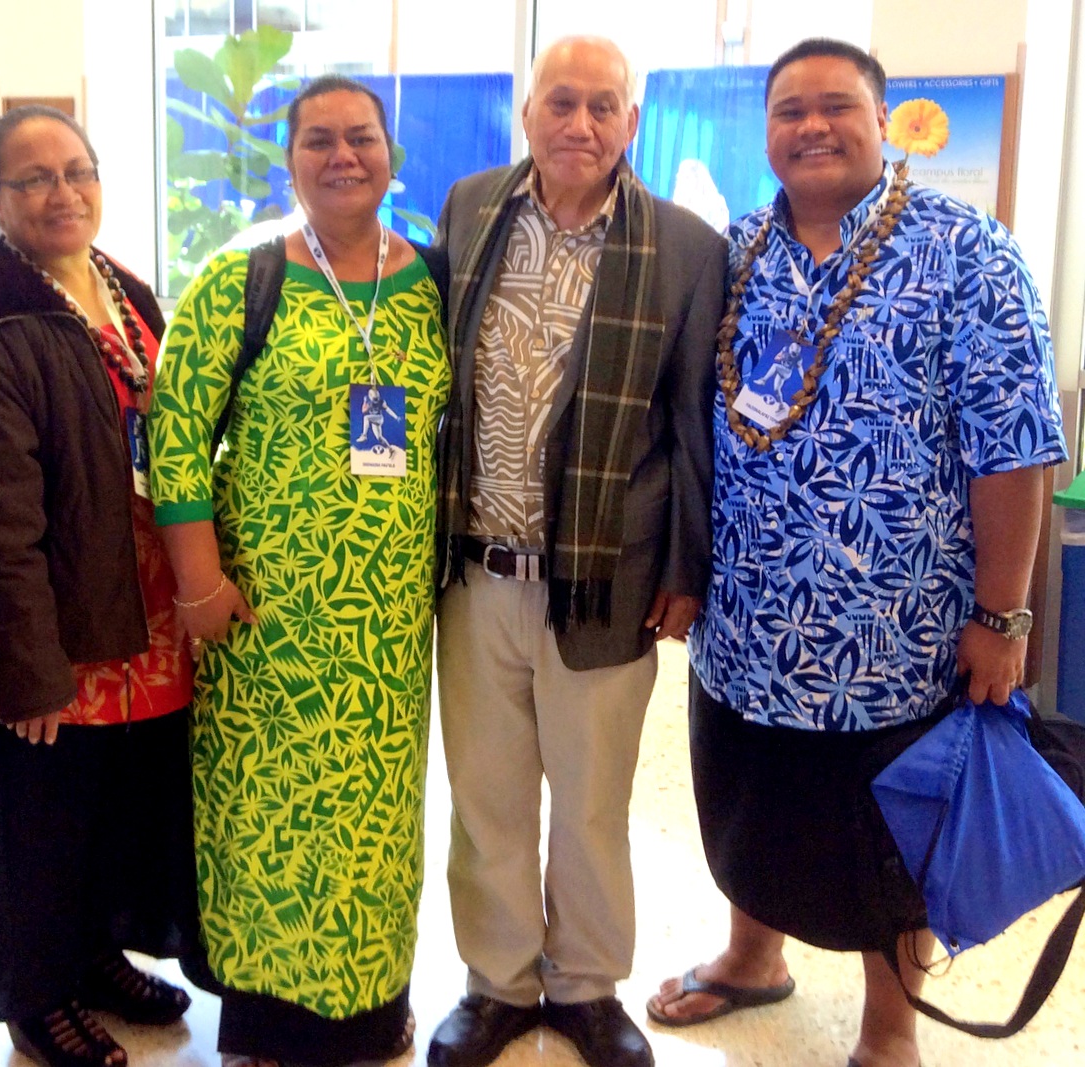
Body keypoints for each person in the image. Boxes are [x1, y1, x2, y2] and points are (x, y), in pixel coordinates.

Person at [645, 38, 1067, 1067]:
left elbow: (1014, 450)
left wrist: (1001, 618)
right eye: (789, 110)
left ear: (883, 122)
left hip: (902, 635)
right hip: (747, 628)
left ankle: (888, 1030)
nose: (812, 126)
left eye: (836, 105)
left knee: (890, 842)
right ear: (768, 133)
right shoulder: (734, 252)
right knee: (749, 804)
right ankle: (753, 956)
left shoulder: (969, 251)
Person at [426, 36, 726, 1067]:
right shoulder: (468, 209)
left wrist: (685, 569)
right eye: (563, 102)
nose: (582, 124)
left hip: (610, 574)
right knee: (487, 794)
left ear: (631, 124)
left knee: (592, 800)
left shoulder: (684, 245)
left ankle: (590, 986)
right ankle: (499, 983)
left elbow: (691, 420)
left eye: (605, 107)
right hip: (473, 570)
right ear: (528, 113)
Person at [149, 74, 450, 1067]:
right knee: (268, 812)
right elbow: (176, 433)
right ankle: (268, 1025)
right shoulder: (242, 280)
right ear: (289, 160)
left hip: (388, 626)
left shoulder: (433, 285)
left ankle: (370, 1006)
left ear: (389, 153)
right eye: (317, 140)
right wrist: (196, 583)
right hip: (263, 615)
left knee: (372, 817)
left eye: (360, 137)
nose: (341, 157)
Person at [0, 104, 199, 1067]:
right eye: (33, 179)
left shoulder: (122, 289)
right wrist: (27, 668)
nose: (62, 192)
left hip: (133, 607)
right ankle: (35, 996)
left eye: (77, 170)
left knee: (110, 802)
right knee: (34, 818)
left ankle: (93, 953)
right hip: (45, 626)